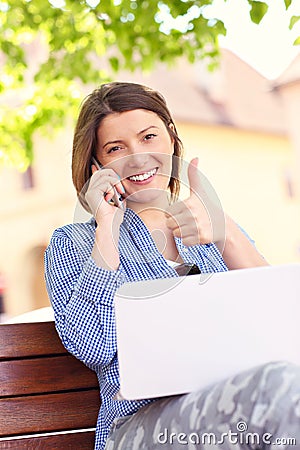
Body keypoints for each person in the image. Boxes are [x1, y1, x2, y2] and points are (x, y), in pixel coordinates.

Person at [45, 82, 300, 450]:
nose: (137, 158)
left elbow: (282, 317)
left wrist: (225, 233)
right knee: (278, 389)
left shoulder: (210, 224)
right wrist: (107, 231)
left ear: (171, 139)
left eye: (149, 137)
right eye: (116, 148)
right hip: (140, 429)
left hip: (237, 410)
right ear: (97, 165)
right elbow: (93, 346)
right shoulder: (74, 242)